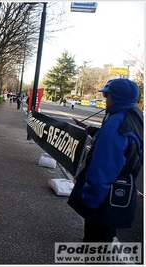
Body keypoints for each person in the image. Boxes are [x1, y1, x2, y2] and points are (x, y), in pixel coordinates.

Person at [68, 78, 143, 243]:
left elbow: (103, 167)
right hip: (119, 194)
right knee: (105, 237)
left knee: (96, 242)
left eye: (107, 96)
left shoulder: (116, 122)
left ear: (116, 97)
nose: (105, 100)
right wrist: (90, 129)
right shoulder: (133, 116)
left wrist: (90, 199)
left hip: (103, 198)